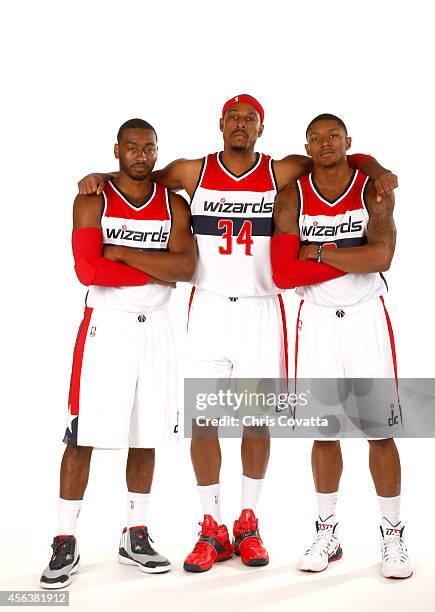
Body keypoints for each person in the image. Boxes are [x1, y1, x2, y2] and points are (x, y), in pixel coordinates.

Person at [78, 96, 397, 573]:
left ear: (262, 127)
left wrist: (376, 165)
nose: (241, 125)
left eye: (250, 118)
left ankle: (249, 522)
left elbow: (338, 159)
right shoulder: (193, 172)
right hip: (206, 305)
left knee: (255, 418)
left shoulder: (281, 171)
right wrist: (102, 177)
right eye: (233, 118)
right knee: (204, 420)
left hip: (260, 308)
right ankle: (211, 524)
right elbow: (141, 175)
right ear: (221, 124)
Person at [40, 118, 197, 589]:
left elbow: (186, 267)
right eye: (132, 147)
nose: (141, 155)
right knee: (83, 435)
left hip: (157, 331)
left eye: (149, 148)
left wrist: (124, 256)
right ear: (117, 150)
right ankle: (64, 539)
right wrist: (155, 271)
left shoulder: (173, 205)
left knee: (146, 434)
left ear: (156, 151)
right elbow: (88, 269)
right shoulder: (93, 199)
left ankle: (135, 532)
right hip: (106, 330)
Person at [271, 113, 411, 579]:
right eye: (315, 138)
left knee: (380, 430)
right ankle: (326, 530)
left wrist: (319, 252)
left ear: (349, 142)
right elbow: (286, 273)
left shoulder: (372, 188)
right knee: (323, 430)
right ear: (306, 146)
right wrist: (349, 257)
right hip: (315, 321)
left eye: (333, 136)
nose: (325, 143)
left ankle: (393, 533)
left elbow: (382, 256)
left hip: (366, 317)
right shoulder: (292, 195)